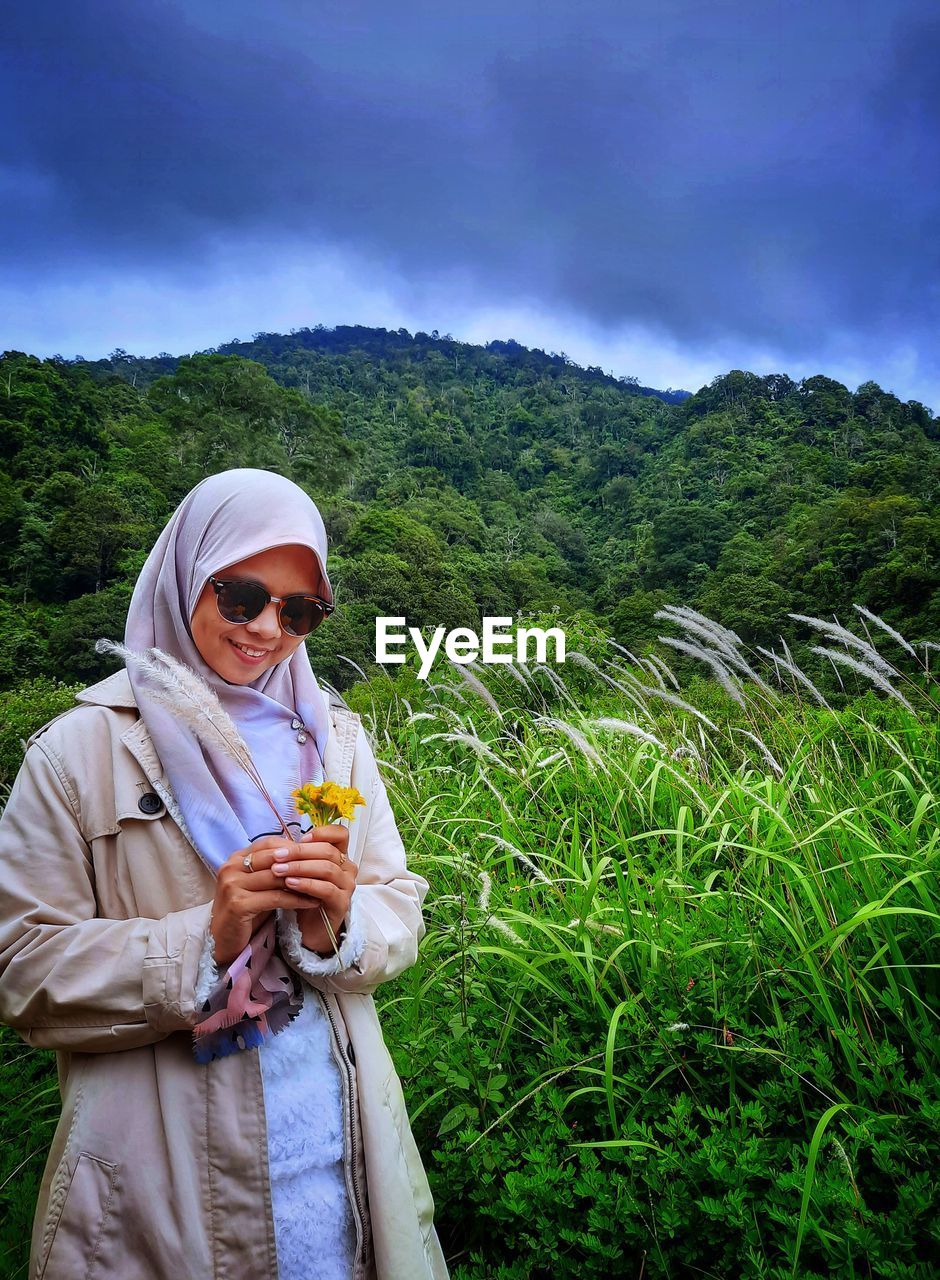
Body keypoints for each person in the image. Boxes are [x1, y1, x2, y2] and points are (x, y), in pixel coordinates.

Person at [0, 468, 449, 1280]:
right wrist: (204, 939)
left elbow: (399, 905)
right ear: (184, 576)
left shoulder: (336, 739)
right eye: (241, 596)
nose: (267, 629)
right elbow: (22, 971)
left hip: (341, 1164)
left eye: (300, 610)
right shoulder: (79, 753)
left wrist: (337, 925)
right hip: (163, 1195)